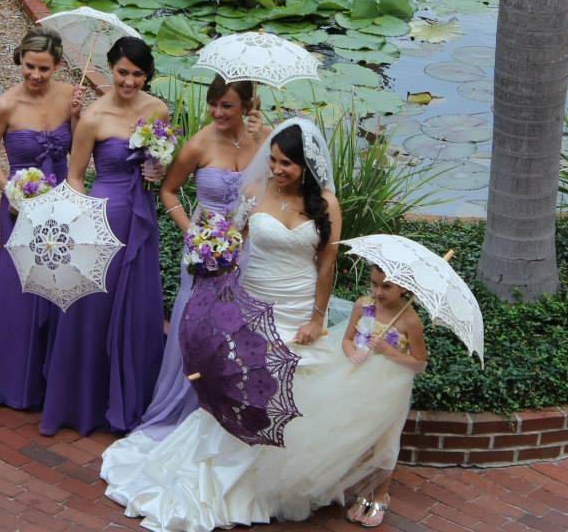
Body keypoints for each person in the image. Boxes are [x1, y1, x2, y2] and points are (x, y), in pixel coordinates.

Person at [104, 118, 423, 531]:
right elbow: (231, 241)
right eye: (272, 160)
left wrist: (317, 318)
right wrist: (212, 253)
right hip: (254, 303)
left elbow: (326, 264)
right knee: (246, 386)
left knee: (296, 388)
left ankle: (282, 480)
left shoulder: (326, 204)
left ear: (306, 166)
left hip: (300, 308)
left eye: (286, 164)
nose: (276, 169)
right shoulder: (254, 191)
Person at [39, 36, 167, 436]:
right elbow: (75, 177)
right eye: (123, 72)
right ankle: (87, 401)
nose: (129, 81)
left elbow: (161, 160)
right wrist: (78, 223)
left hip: (141, 217)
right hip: (104, 216)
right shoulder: (94, 116)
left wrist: (158, 170)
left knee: (137, 306)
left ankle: (131, 398)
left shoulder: (157, 109)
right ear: (111, 69)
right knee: (95, 306)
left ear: (147, 75)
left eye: (138, 74)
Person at [131, 76, 267, 441]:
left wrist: (259, 140)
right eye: (214, 104)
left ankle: (226, 416)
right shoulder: (199, 144)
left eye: (228, 106)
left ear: (247, 107)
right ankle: (187, 407)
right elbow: (168, 190)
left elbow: (274, 188)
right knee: (199, 329)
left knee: (237, 331)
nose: (218, 112)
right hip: (204, 252)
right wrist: (192, 230)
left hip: (248, 251)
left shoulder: (264, 141)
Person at [0, 26, 81, 409]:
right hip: (21, 208)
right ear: (19, 59)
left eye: (43, 69)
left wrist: (76, 117)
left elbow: (79, 148)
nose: (35, 76)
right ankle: (11, 380)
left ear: (56, 66)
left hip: (61, 207)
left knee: (58, 286)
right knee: (17, 288)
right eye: (29, 67)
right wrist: (9, 188)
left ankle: (52, 379)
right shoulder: (5, 105)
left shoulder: (71, 96)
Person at [342, 266, 427, 527]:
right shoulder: (363, 305)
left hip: (391, 386)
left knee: (384, 440)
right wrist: (352, 353)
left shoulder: (409, 320)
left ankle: (381, 495)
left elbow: (419, 363)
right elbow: (347, 339)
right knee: (362, 438)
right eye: (374, 284)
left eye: (386, 287)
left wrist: (388, 350)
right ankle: (365, 491)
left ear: (404, 288)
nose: (377, 292)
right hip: (360, 381)